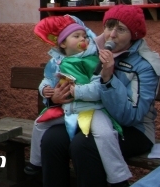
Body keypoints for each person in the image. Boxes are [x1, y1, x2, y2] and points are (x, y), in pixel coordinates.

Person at [41, 5, 160, 187]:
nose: (111, 35)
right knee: (53, 139)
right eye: (109, 26)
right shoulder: (90, 50)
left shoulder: (145, 65)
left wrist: (107, 79)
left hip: (134, 130)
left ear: (134, 34)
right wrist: (55, 98)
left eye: (121, 29)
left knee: (83, 146)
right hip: (88, 116)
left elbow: (131, 116)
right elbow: (59, 75)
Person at [25, 15, 131, 185]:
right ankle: (35, 163)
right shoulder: (55, 62)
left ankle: (118, 177)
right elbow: (46, 80)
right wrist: (45, 90)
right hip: (67, 109)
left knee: (105, 133)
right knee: (40, 124)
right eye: (76, 36)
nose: (83, 38)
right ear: (63, 43)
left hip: (92, 109)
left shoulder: (92, 61)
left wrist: (77, 91)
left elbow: (98, 88)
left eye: (84, 36)